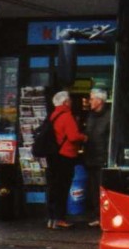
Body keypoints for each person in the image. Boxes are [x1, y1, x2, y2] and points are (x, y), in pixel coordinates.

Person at [45, 90, 86, 229]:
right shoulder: (67, 116)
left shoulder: (52, 115)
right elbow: (73, 136)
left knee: (53, 187)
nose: (71, 103)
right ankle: (60, 218)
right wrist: (84, 137)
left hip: (53, 155)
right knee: (63, 188)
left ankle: (51, 218)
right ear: (65, 103)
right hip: (65, 156)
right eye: (69, 100)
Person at [82, 88, 110, 227]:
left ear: (99, 101)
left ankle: (103, 216)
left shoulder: (110, 116)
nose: (90, 101)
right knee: (93, 189)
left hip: (102, 158)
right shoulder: (91, 116)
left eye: (92, 99)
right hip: (91, 158)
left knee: (102, 189)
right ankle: (96, 215)